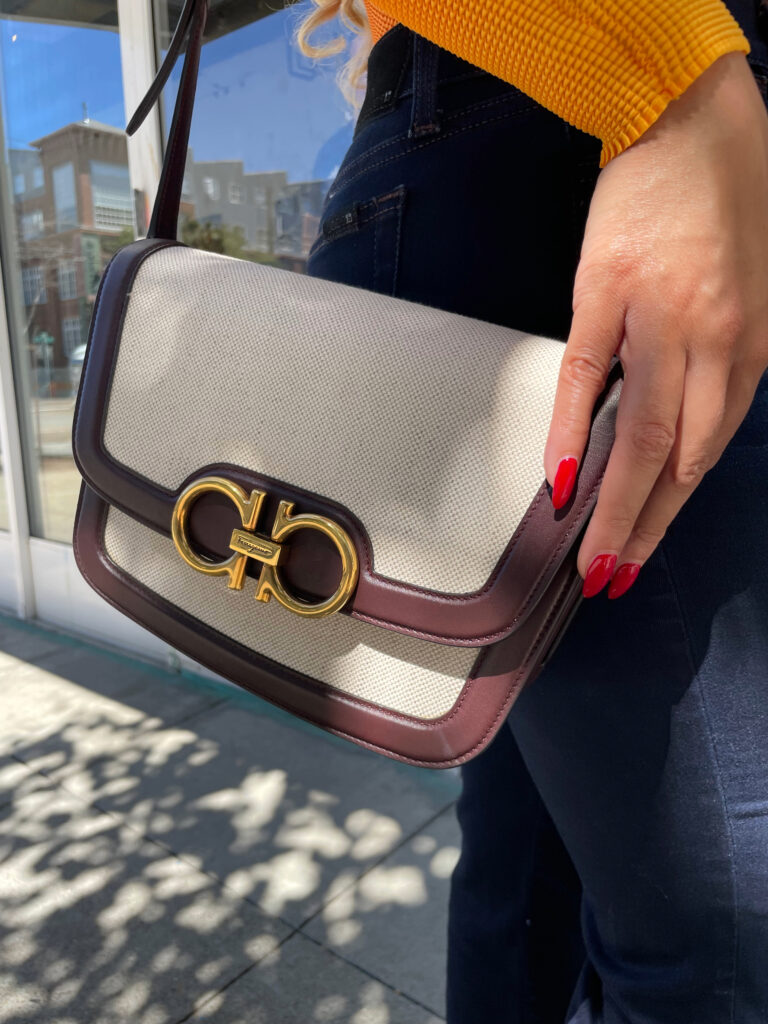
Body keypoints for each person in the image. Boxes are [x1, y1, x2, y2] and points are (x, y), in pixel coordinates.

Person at [297, 2, 768, 1021]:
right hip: (628, 117)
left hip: (511, 132)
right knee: (723, 951)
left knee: (526, 871)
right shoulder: (675, 82)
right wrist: (680, 82)